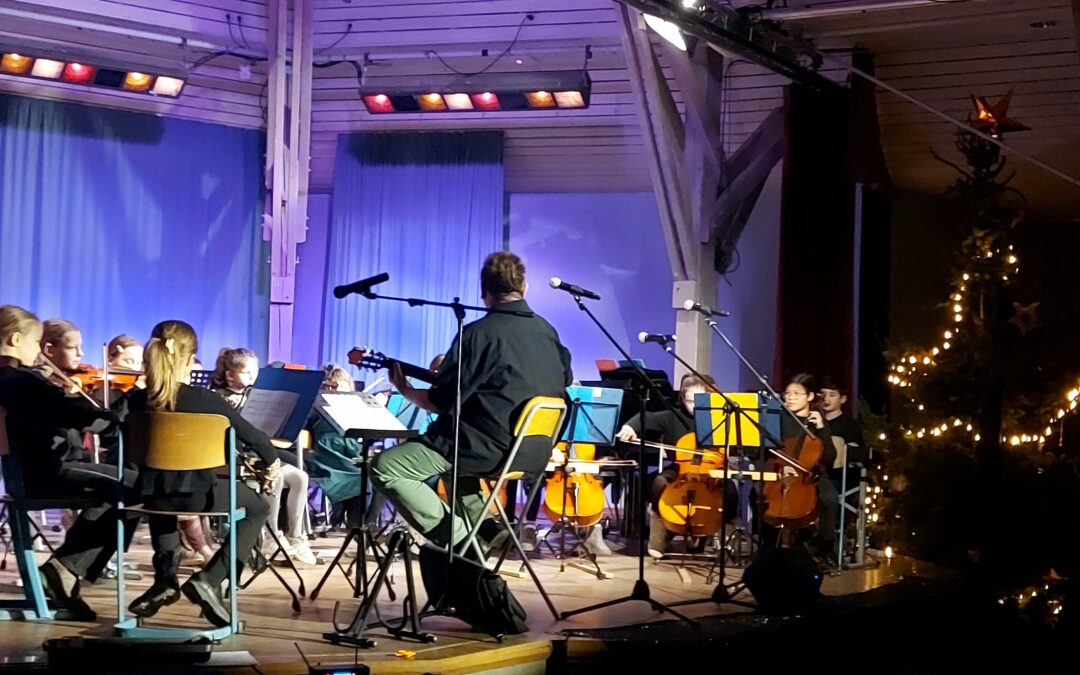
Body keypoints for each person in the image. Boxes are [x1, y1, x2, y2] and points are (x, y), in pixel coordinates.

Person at [371, 251, 573, 558]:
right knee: (456, 470)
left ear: (484, 293)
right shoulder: (548, 332)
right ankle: (488, 529)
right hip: (533, 451)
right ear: (525, 287)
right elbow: (565, 379)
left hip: (486, 450)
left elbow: (441, 402)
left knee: (386, 467)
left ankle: (462, 539)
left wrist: (406, 390)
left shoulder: (479, 335)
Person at [120, 321, 276, 626]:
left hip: (150, 494)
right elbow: (256, 440)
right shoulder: (205, 401)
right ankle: (211, 578)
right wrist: (270, 463)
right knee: (259, 507)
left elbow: (116, 435)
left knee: (161, 496)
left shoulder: (136, 400)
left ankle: (165, 581)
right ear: (190, 359)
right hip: (198, 496)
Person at [0, 305, 137, 621]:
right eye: (36, 344)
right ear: (16, 339)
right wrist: (114, 415)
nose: (38, 351)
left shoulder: (13, 379)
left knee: (124, 487)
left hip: (22, 473)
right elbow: (72, 414)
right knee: (135, 488)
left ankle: (66, 571)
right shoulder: (20, 381)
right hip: (46, 472)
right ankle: (65, 569)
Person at [210, 347, 316, 565]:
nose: (253, 377)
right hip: (236, 457)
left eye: (255, 372)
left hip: (260, 454)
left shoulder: (257, 397)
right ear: (230, 375)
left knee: (300, 478)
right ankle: (270, 534)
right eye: (247, 373)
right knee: (275, 477)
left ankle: (296, 537)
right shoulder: (217, 398)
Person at [616, 373, 714, 557]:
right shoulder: (672, 416)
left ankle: (717, 536)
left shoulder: (716, 418)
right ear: (682, 398)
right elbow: (646, 417)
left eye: (700, 400)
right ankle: (660, 532)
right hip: (680, 470)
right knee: (659, 482)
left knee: (730, 490)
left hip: (710, 470)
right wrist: (630, 427)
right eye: (690, 401)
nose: (695, 406)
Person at [768, 373, 839, 558]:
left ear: (810, 397)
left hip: (810, 476)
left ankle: (824, 545)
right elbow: (769, 449)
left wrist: (822, 429)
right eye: (787, 393)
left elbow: (830, 457)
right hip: (781, 472)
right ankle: (766, 547)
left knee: (829, 498)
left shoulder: (818, 422)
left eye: (796, 393)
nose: (790, 398)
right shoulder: (779, 418)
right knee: (759, 495)